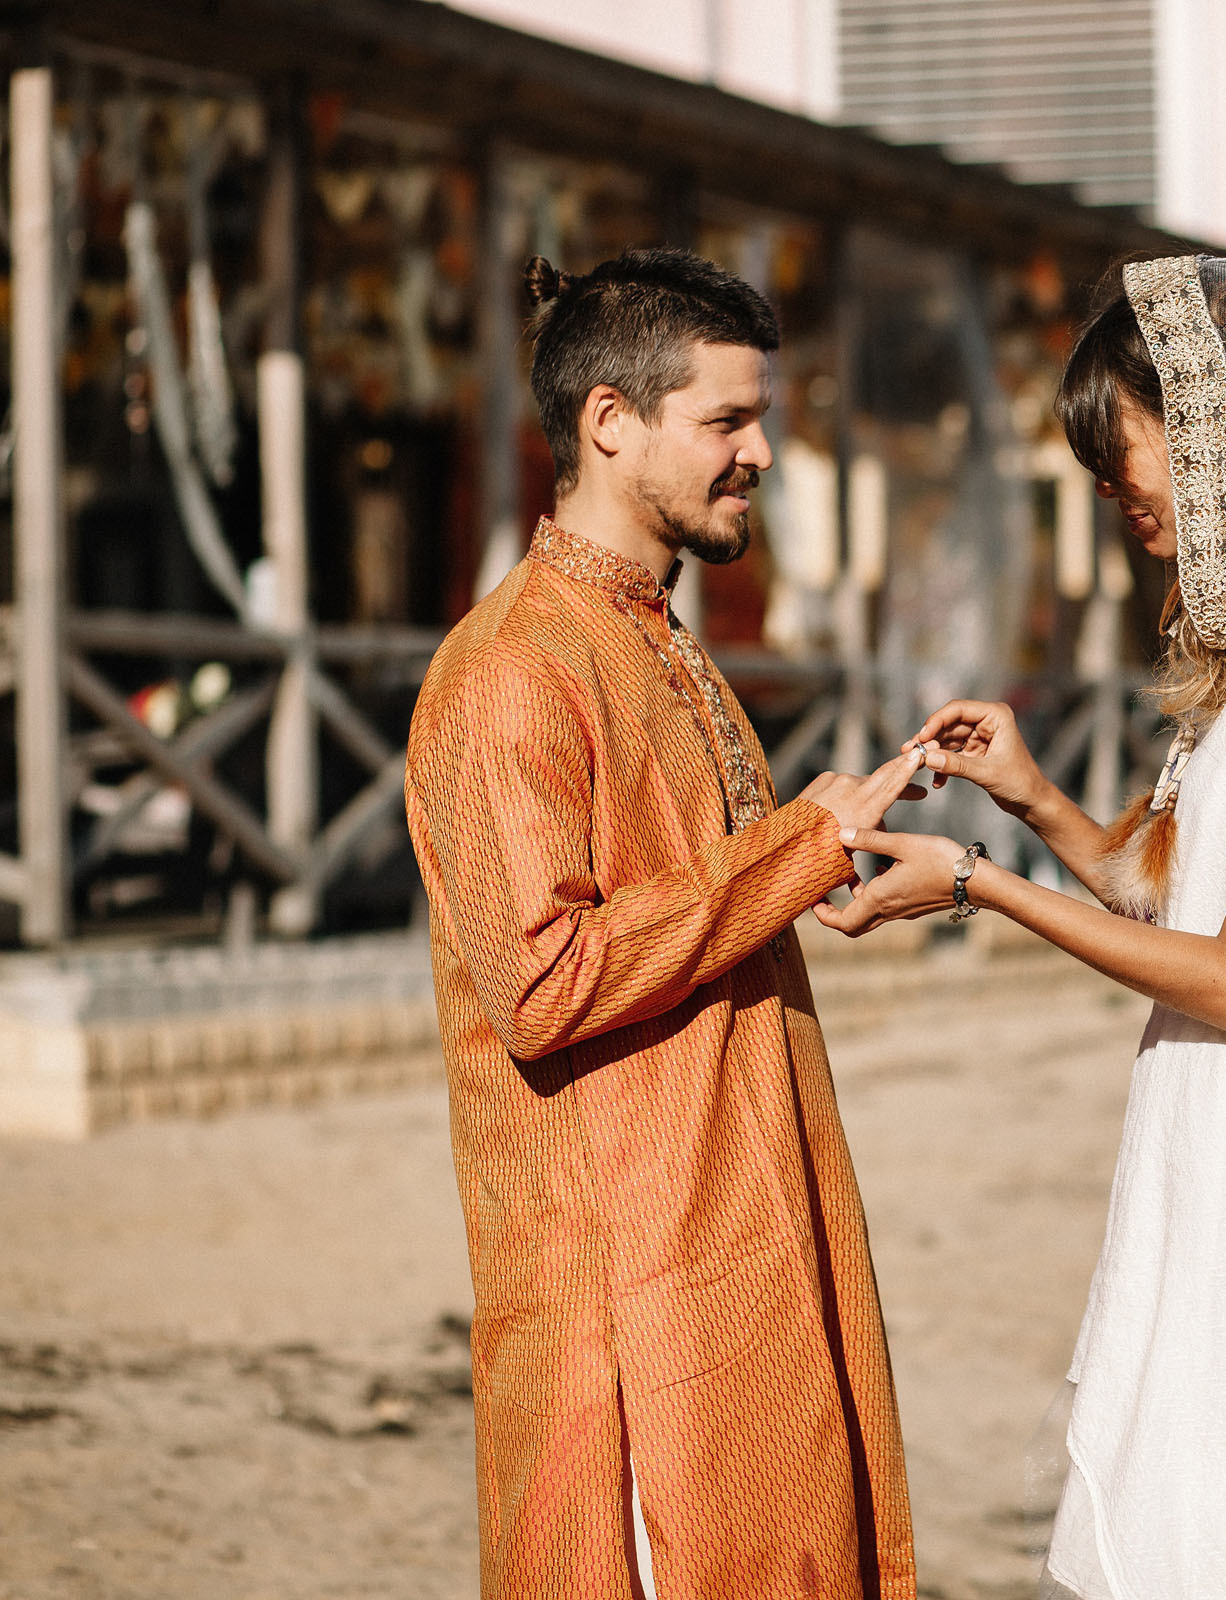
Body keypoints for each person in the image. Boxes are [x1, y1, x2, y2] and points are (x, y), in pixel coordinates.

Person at [815, 254, 1226, 1598]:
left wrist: (978, 887)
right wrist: (1034, 802)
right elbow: (1173, 895)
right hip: (1211, 1123)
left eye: (1121, 451)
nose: (1115, 490)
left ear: (1216, 432)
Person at [405, 248, 927, 1600]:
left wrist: (826, 865)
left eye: (761, 421)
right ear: (609, 423)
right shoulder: (513, 669)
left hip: (742, 1230)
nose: (759, 453)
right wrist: (799, 849)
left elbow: (707, 899)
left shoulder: (659, 637)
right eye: (726, 422)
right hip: (625, 1293)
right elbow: (546, 984)